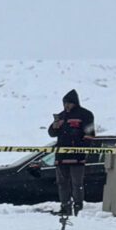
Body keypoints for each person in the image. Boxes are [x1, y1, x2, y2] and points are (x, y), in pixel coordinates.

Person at [48, 91, 97, 220]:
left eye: (68, 103)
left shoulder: (85, 115)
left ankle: (78, 208)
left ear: (74, 102)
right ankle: (65, 207)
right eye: (64, 103)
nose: (66, 106)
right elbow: (51, 133)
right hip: (61, 157)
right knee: (62, 183)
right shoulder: (61, 116)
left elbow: (90, 135)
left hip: (77, 157)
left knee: (77, 184)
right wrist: (54, 127)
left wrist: (82, 149)